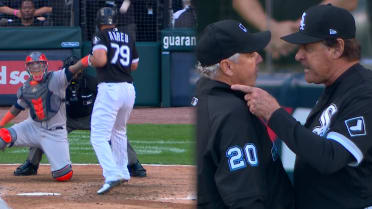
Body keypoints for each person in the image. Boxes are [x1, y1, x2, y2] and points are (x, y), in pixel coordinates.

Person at [232, 4, 372, 209]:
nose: (298, 56)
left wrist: (274, 113)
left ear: (337, 48)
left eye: (308, 48)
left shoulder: (364, 92)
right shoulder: (336, 88)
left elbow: (330, 158)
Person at [194, 19, 294, 209]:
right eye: (250, 54)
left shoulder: (200, 99)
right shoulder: (232, 114)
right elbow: (246, 198)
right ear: (227, 67)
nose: (260, 58)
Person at [14, 59, 146, 178]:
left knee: (114, 132)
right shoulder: (58, 83)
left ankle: (133, 164)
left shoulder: (92, 82)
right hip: (66, 119)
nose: (75, 74)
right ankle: (31, 164)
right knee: (44, 130)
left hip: (91, 117)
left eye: (78, 70)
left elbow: (107, 98)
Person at [70, 7, 139, 195]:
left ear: (99, 22)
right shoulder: (127, 36)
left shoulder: (101, 35)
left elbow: (100, 60)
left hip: (110, 88)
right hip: (128, 89)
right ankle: (123, 171)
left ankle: (111, 174)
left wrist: (90, 59)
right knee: (119, 131)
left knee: (99, 136)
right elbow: (134, 64)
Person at [0, 51, 82, 182]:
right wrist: (1, 124)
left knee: (63, 175)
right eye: (32, 65)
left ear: (45, 66)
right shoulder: (26, 87)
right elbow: (17, 108)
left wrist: (88, 59)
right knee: (2, 136)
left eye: (39, 64)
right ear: (27, 68)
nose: (36, 68)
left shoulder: (57, 77)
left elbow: (73, 69)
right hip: (33, 127)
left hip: (55, 133)